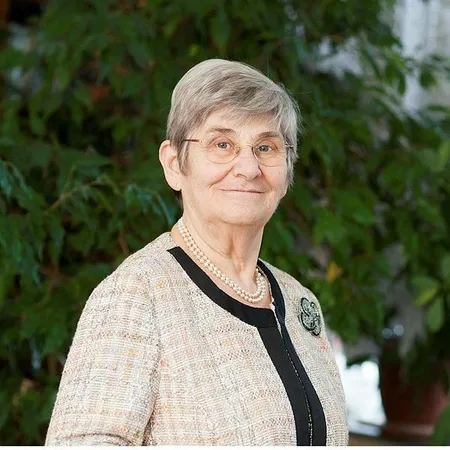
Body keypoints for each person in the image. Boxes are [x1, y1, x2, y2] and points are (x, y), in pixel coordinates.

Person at [45, 59, 348, 446]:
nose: (248, 167)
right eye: (222, 144)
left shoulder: (300, 300)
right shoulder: (138, 294)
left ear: (286, 171)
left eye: (265, 147)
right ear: (174, 164)